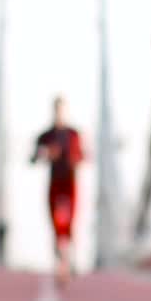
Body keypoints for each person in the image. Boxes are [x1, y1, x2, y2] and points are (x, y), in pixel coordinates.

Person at [31, 96, 86, 287]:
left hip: (70, 184)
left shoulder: (74, 134)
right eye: (56, 110)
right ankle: (61, 263)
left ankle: (67, 261)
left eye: (61, 110)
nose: (59, 114)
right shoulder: (45, 136)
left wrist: (69, 156)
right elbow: (32, 158)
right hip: (55, 184)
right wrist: (44, 153)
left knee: (69, 226)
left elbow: (83, 156)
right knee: (56, 226)